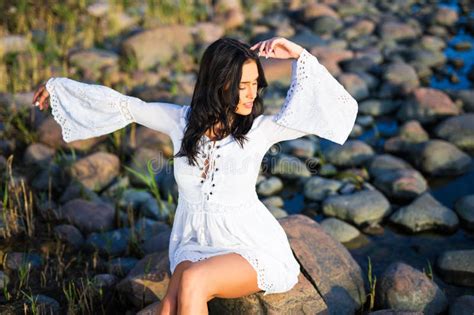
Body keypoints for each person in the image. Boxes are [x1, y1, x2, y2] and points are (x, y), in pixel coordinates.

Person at [32, 36, 358, 315]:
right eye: (242, 85)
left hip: (250, 243)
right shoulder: (181, 122)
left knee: (193, 281)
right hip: (193, 241)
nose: (251, 94)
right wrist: (59, 90)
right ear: (218, 83)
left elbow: (318, 111)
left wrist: (299, 54)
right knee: (170, 303)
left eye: (255, 84)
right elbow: (125, 106)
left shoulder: (260, 130)